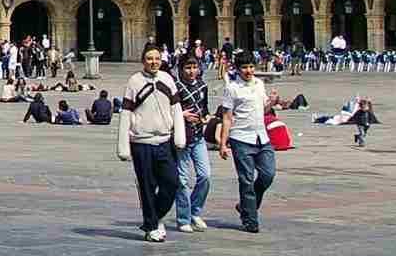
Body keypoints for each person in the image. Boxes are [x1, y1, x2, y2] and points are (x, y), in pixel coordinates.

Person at [116, 44, 185, 243]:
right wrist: (123, 145)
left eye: (157, 58)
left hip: (164, 140)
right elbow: (126, 113)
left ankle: (155, 217)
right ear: (143, 61)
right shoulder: (134, 81)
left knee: (171, 182)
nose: (154, 62)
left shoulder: (167, 79)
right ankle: (152, 226)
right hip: (141, 142)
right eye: (149, 58)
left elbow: (176, 108)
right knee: (147, 185)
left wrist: (179, 136)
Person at [217, 53, 276, 233]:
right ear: (237, 69)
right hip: (241, 138)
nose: (249, 71)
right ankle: (250, 219)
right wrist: (223, 143)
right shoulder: (232, 88)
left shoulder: (259, 84)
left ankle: (245, 206)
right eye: (244, 67)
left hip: (261, 137)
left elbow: (263, 108)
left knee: (268, 174)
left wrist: (272, 102)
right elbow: (227, 117)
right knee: (246, 180)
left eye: (251, 67)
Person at [171, 54, 211, 232]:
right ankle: (183, 218)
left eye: (194, 67)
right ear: (180, 69)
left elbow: (205, 108)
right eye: (188, 67)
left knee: (205, 176)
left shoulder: (203, 86)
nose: (191, 71)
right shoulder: (175, 88)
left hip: (198, 137)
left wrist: (207, 118)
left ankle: (195, 210)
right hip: (182, 138)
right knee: (183, 180)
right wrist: (182, 115)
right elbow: (169, 111)